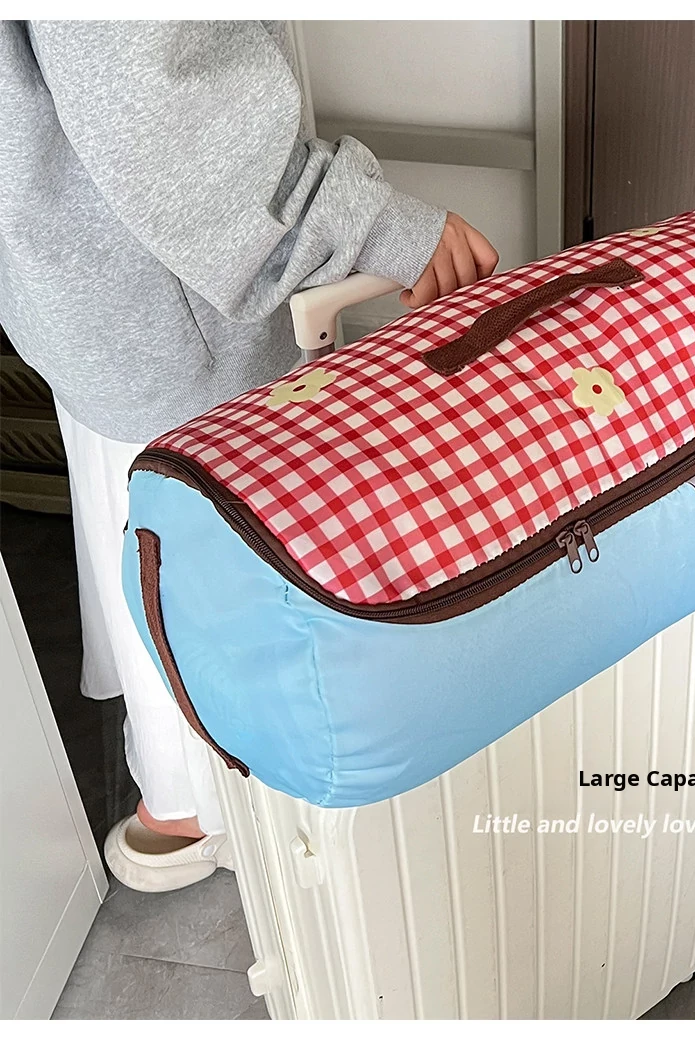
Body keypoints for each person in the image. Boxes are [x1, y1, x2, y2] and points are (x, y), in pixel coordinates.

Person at [0, 20, 499, 891]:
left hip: (88, 280)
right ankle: (199, 807)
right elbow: (152, 105)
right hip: (164, 301)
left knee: (140, 524)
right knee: (195, 561)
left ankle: (185, 786)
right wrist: (366, 224)